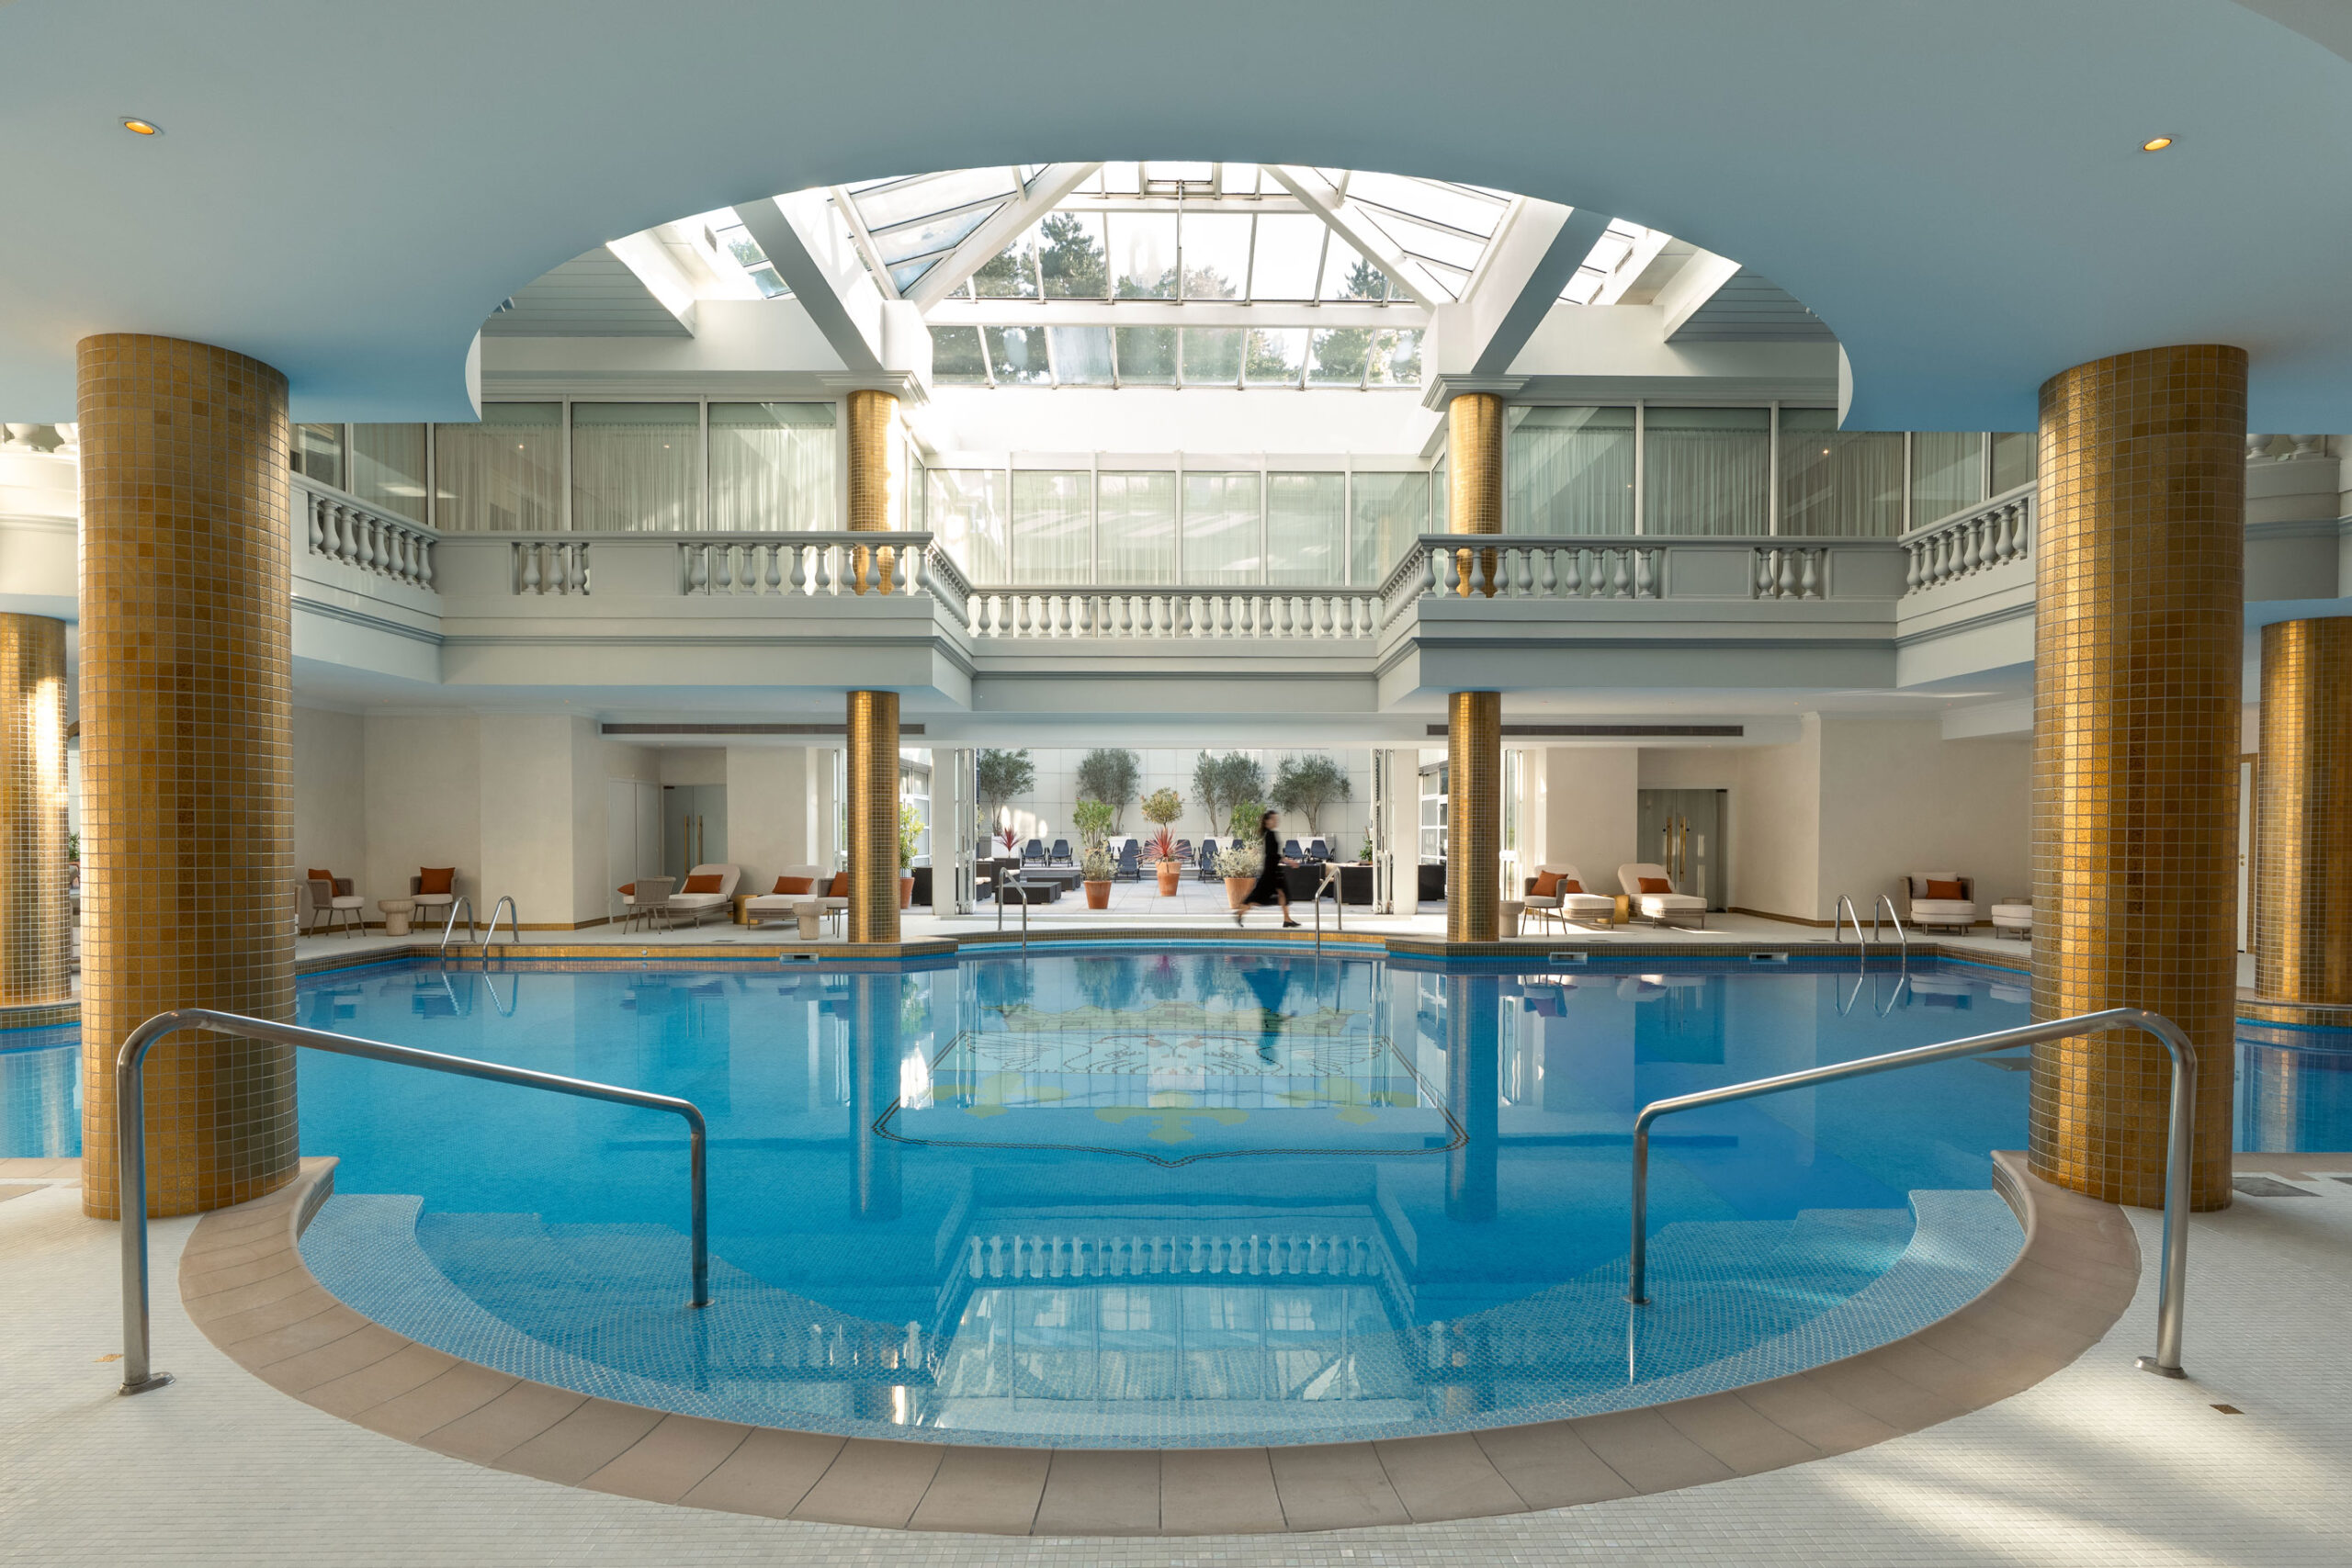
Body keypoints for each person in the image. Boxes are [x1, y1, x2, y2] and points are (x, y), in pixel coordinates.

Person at [1234, 808, 1300, 929]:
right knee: (1257, 896)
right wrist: (1289, 861)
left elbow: (1274, 855)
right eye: (1273, 819)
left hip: (1274, 870)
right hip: (1271, 872)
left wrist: (1286, 861)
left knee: (1282, 894)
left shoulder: (1270, 834)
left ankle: (1287, 920)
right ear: (1267, 821)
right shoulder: (1270, 835)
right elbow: (1273, 854)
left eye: (1276, 819)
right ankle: (1240, 912)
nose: (1276, 821)